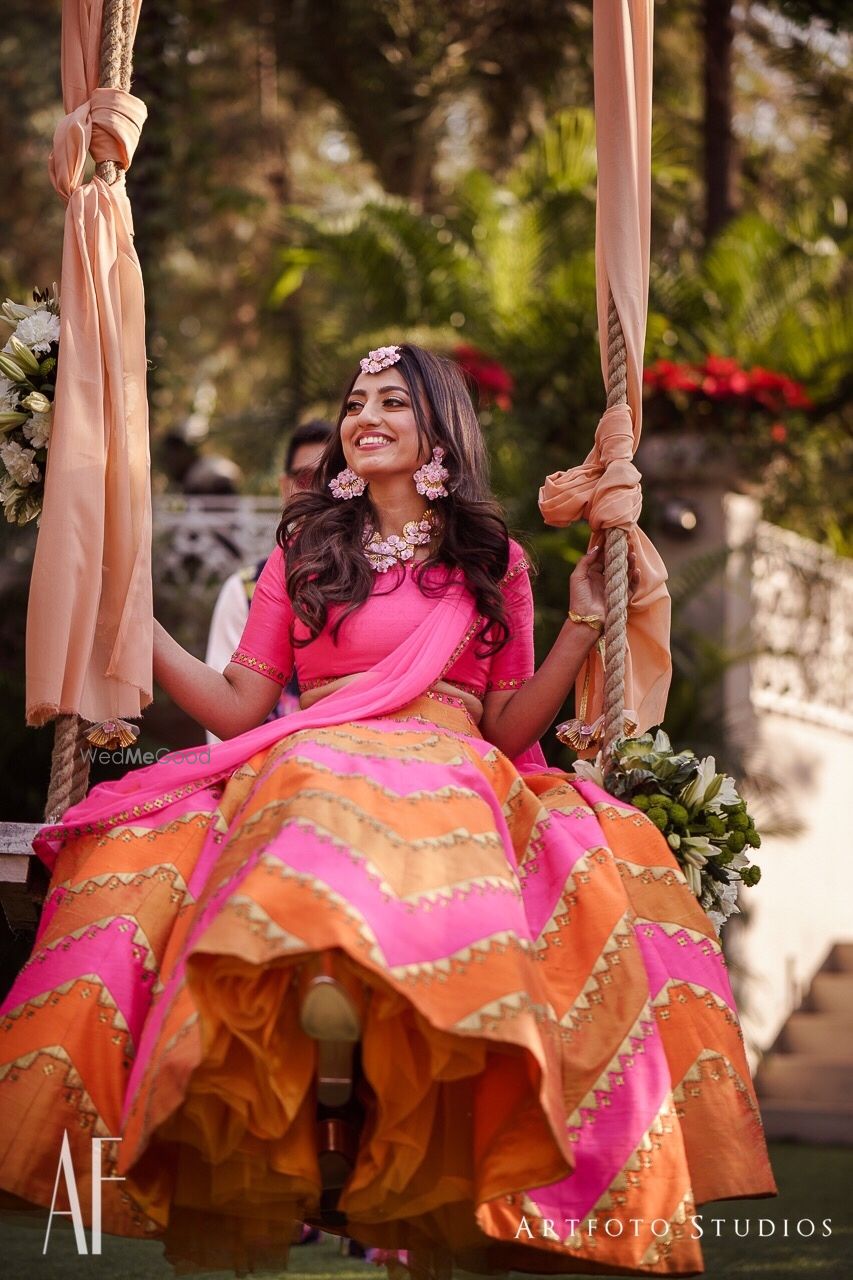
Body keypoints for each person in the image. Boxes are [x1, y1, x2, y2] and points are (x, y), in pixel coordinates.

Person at [0, 344, 775, 1276]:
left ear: (438, 430)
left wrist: (579, 626)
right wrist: (135, 623)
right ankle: (320, 1032)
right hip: (316, 750)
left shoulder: (495, 559)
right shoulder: (305, 548)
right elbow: (242, 705)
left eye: (391, 404)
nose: (363, 417)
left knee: (560, 847)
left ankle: (386, 1045)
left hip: (453, 757)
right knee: (291, 794)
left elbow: (505, 721)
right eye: (354, 402)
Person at [205, 420, 334, 744]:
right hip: (264, 773)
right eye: (306, 479)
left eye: (332, 479)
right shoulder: (245, 590)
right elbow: (223, 728)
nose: (319, 493)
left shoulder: (385, 580)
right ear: (285, 487)